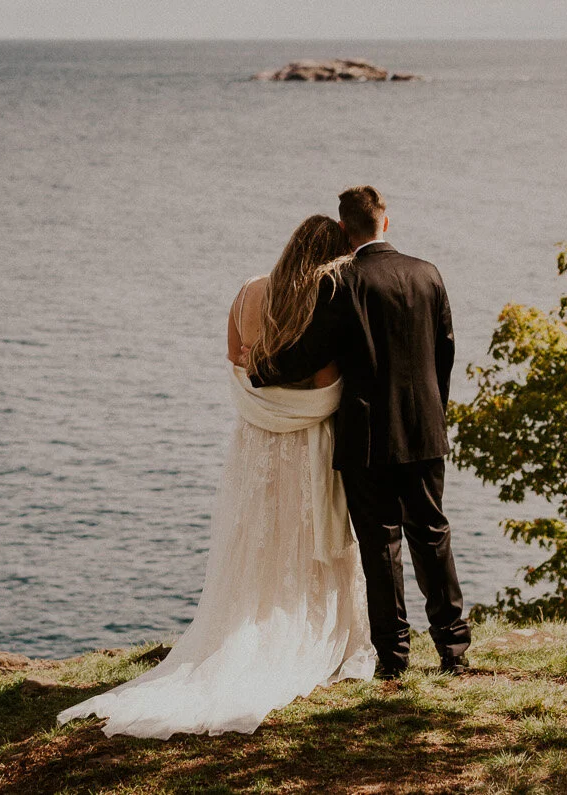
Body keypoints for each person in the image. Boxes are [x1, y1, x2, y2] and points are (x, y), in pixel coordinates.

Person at [57, 215, 376, 738]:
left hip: (255, 440)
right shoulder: (322, 300)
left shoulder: (249, 291)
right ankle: (307, 630)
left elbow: (235, 359)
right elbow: (325, 383)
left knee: (257, 538)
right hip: (303, 442)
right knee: (299, 537)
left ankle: (239, 625)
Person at [252, 185, 471, 678]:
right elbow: (445, 353)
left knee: (380, 547)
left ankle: (394, 660)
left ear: (345, 231)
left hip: (367, 436)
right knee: (433, 535)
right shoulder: (428, 274)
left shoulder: (340, 282)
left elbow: (309, 353)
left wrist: (260, 369)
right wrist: (434, 416)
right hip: (424, 432)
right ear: (385, 223)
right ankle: (453, 650)